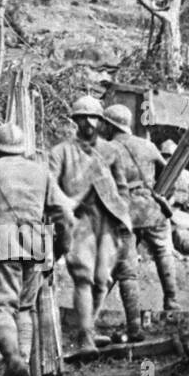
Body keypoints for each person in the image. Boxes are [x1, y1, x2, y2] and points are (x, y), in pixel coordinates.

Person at [0, 123, 73, 376]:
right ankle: (18, 366)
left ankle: (13, 356)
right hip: (36, 245)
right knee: (25, 309)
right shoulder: (41, 173)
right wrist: (61, 248)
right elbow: (66, 214)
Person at [47, 95, 139, 350]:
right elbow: (51, 187)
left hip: (108, 222)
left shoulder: (111, 151)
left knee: (103, 280)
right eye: (83, 118)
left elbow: (123, 188)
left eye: (94, 118)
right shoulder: (61, 152)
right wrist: (66, 210)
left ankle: (90, 326)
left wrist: (123, 212)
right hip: (79, 221)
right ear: (75, 120)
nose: (88, 123)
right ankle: (85, 338)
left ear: (100, 121)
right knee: (84, 277)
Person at [100, 104, 181, 313]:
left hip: (125, 212)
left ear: (109, 125)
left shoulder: (106, 149)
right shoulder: (148, 145)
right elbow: (170, 173)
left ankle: (96, 310)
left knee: (122, 266)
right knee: (163, 253)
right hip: (153, 208)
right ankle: (172, 301)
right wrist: (162, 195)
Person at [159, 139, 189, 213]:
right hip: (167, 211)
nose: (168, 159)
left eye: (171, 156)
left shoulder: (185, 174)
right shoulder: (158, 172)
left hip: (185, 211)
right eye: (165, 156)